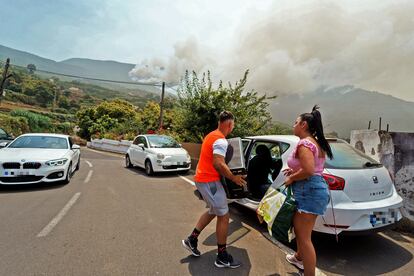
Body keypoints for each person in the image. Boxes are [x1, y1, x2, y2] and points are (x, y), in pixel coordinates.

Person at [181, 111, 247, 269]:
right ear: (230, 124)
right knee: (224, 216)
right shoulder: (221, 141)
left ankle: (192, 239)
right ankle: (222, 256)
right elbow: (218, 163)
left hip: (204, 179)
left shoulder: (211, 135)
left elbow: (215, 160)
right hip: (209, 181)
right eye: (234, 124)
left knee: (213, 211)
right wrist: (234, 178)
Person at [283, 105, 333, 276]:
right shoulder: (315, 143)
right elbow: (311, 168)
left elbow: (309, 170)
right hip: (312, 189)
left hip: (308, 191)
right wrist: (295, 172)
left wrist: (291, 178)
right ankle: (298, 257)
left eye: (295, 122)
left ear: (303, 125)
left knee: (304, 238)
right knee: (302, 232)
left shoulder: (304, 143)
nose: (293, 124)